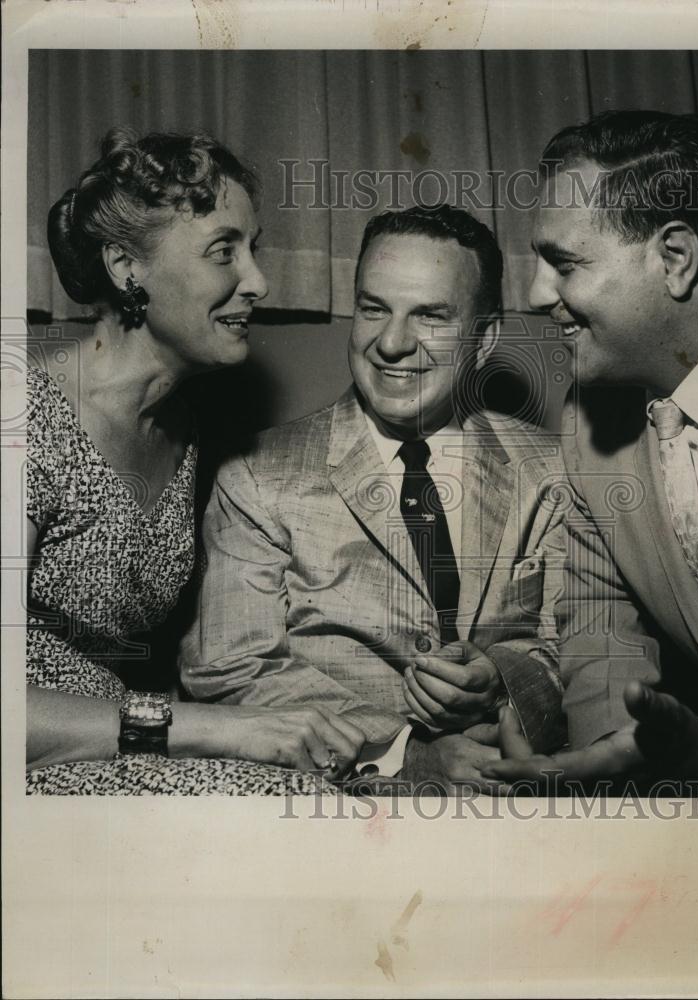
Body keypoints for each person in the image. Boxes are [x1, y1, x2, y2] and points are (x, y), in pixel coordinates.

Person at [179, 204, 568, 792]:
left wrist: (504, 678)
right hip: (331, 804)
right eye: (373, 308)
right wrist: (401, 749)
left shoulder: (550, 470)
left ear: (483, 338)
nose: (391, 342)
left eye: (430, 316)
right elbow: (228, 667)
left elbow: (586, 643)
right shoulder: (255, 475)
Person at [25, 128, 365, 794]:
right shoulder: (23, 417)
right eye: (223, 252)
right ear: (128, 269)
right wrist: (218, 729)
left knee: (326, 793)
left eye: (254, 249)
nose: (258, 282)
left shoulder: (183, 425)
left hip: (113, 737)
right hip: (32, 750)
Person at [482, 110, 698, 797]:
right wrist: (608, 766)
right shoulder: (592, 421)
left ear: (674, 258)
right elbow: (600, 627)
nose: (534, 295)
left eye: (564, 264)